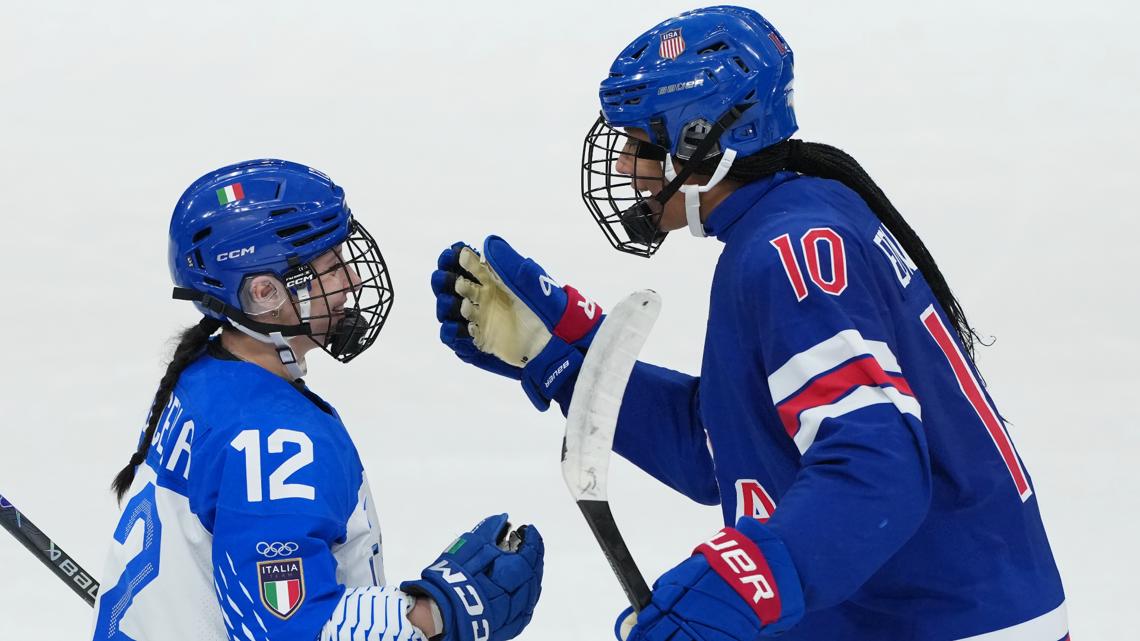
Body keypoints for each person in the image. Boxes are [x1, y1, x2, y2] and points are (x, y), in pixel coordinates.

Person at [431, 6, 1067, 641]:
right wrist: (565, 359)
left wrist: (739, 589)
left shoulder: (785, 250)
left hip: (949, 621)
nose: (623, 165)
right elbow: (725, 447)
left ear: (701, 143)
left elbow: (878, 468)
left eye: (641, 145)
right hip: (934, 608)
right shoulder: (793, 216)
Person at [92, 159, 544, 641]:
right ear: (264, 294)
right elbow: (289, 628)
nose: (351, 281)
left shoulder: (202, 377)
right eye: (330, 268)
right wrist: (437, 614)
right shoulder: (274, 442)